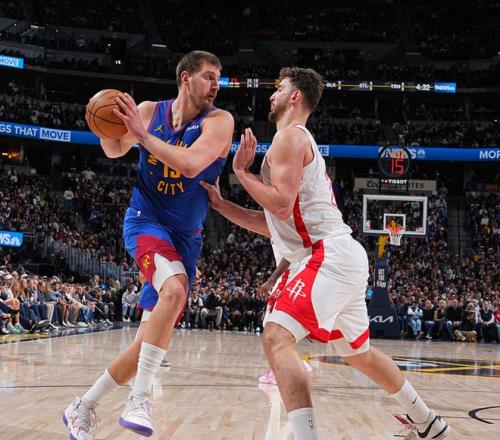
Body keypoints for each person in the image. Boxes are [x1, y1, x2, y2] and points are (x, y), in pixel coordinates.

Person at [201, 67, 450, 440]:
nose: (273, 94)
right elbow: (274, 223)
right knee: (359, 354)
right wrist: (223, 206)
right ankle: (429, 421)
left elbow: (280, 204)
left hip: (327, 255)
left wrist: (242, 173)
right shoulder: (291, 141)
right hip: (342, 256)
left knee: (276, 336)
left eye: (280, 88)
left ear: (295, 97)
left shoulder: (290, 137)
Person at [63, 50, 233, 440]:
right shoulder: (149, 111)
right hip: (146, 222)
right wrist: (106, 125)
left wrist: (142, 136)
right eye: (209, 76)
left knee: (146, 344)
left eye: (218, 78)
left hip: (186, 239)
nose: (216, 84)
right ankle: (140, 398)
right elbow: (114, 149)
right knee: (174, 290)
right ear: (186, 77)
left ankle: (82, 406)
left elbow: (191, 165)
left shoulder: (219, 121)